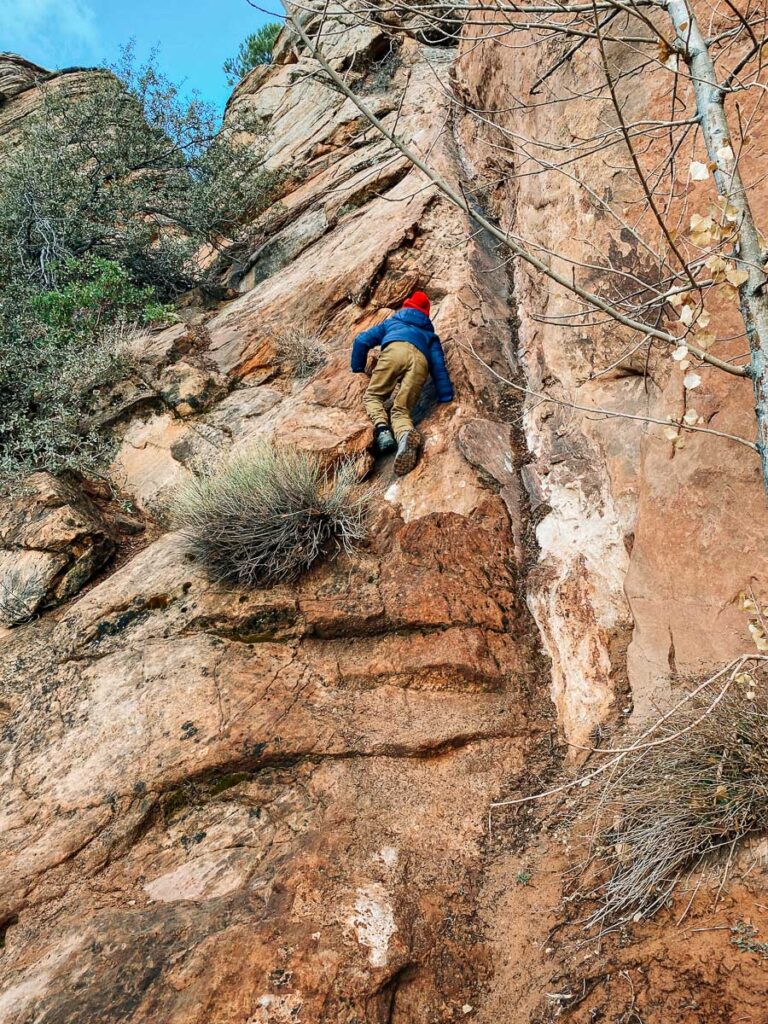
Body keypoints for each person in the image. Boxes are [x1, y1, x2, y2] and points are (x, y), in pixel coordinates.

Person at [350, 290, 454, 475]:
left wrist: (358, 368)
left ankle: (383, 431)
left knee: (374, 396)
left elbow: (362, 340)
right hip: (421, 361)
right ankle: (405, 436)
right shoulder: (430, 336)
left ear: (407, 307)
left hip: (394, 351)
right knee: (402, 410)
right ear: (426, 315)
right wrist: (445, 395)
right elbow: (439, 367)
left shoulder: (393, 322)